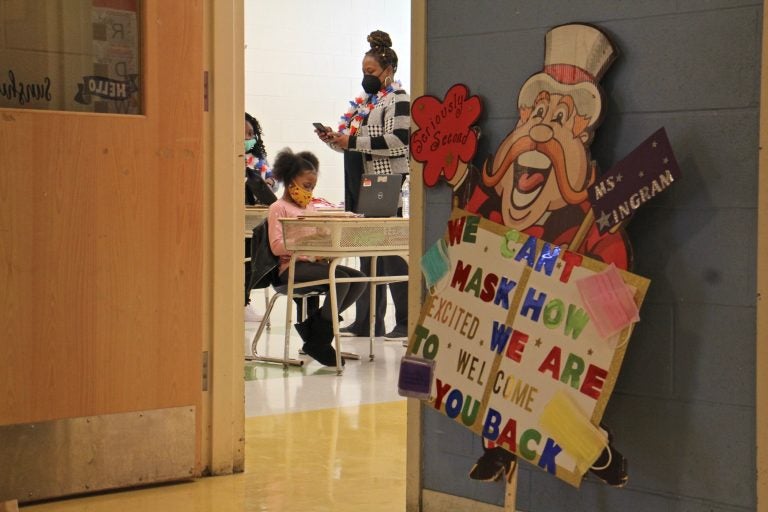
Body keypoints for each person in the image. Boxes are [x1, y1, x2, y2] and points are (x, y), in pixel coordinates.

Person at [314, 29, 409, 340]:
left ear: (389, 70)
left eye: (371, 72)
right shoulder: (366, 104)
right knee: (366, 251)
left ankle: (405, 319)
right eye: (363, 72)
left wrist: (352, 140)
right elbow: (353, 144)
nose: (366, 77)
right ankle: (368, 319)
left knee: (390, 250)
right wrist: (334, 140)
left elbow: (399, 142)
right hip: (359, 179)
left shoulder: (398, 99)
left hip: (385, 180)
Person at [267, 148, 366, 366]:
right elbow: (276, 247)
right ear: (290, 180)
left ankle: (314, 332)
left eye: (312, 187)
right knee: (339, 279)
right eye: (306, 186)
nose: (309, 191)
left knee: (358, 279)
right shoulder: (278, 208)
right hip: (291, 268)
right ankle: (321, 340)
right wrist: (307, 243)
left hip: (314, 263)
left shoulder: (311, 207)